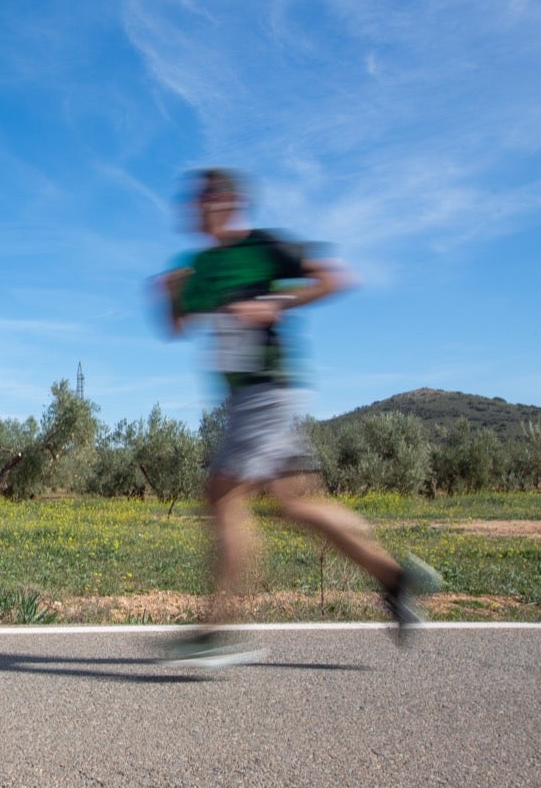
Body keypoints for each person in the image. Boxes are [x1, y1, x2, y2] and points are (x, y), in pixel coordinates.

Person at [157, 168, 440, 666]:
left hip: (265, 391)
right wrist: (170, 294)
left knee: (222, 496)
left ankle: (217, 631)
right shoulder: (201, 264)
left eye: (201, 201)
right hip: (248, 397)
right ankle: (395, 577)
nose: (192, 210)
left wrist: (275, 302)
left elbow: (334, 277)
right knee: (294, 503)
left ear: (225, 202)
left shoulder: (264, 246)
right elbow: (177, 326)